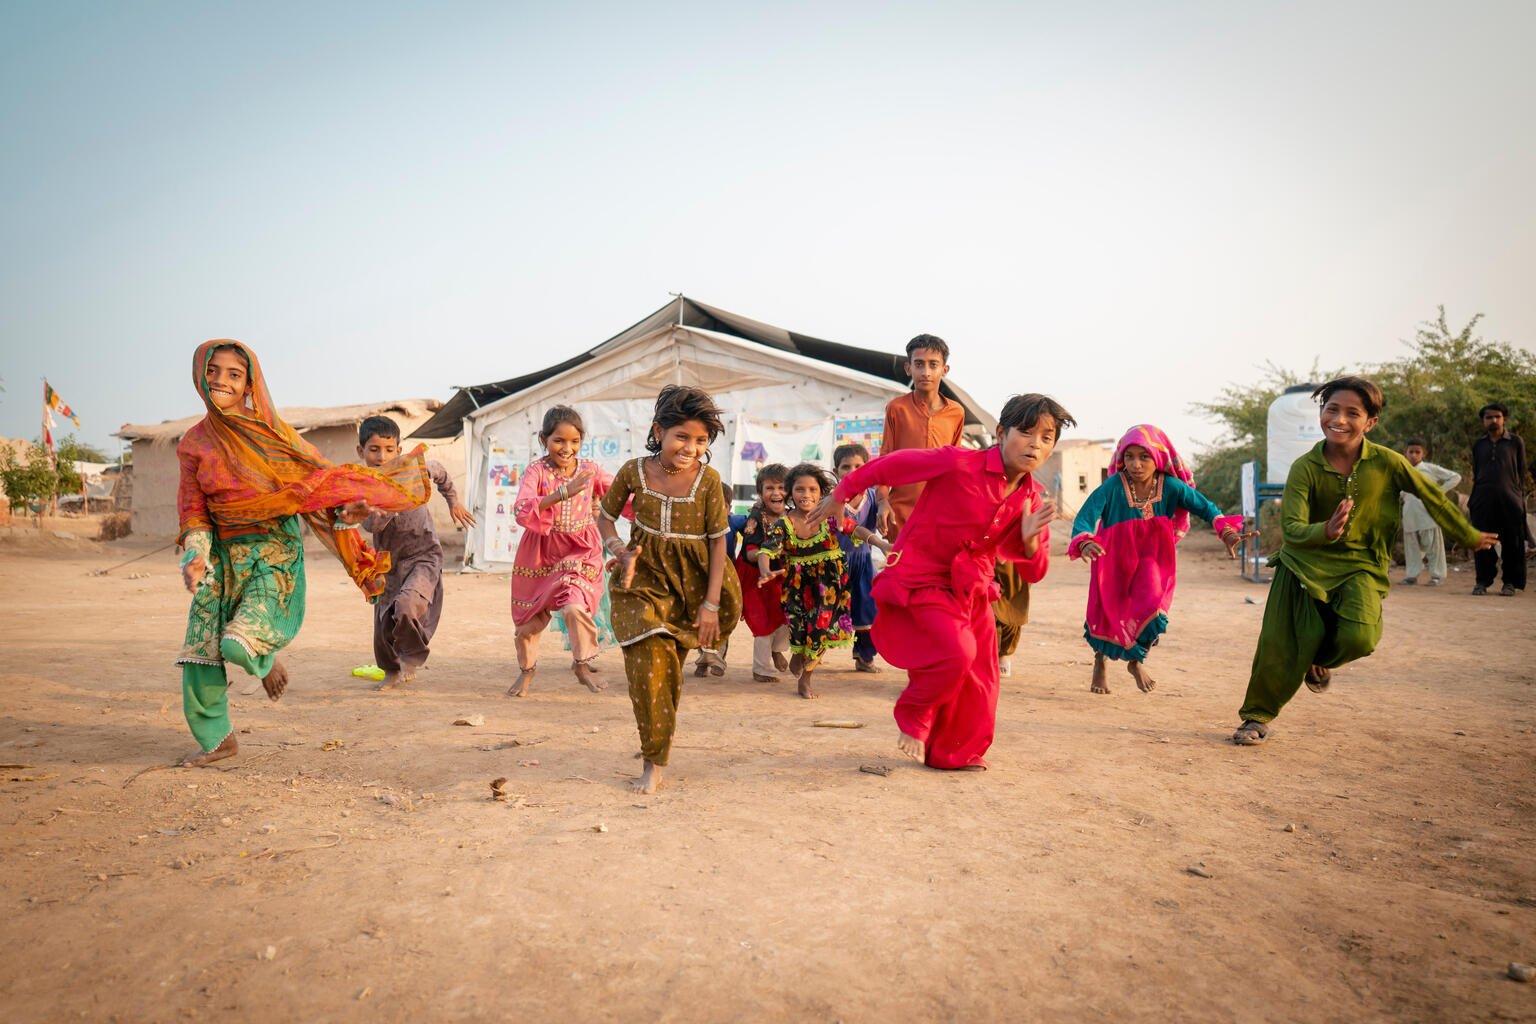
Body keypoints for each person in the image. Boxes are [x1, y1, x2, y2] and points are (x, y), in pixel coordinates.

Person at [176, 340, 429, 766]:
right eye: (214, 371)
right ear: (200, 374)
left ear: (249, 383)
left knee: (238, 645)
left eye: (234, 374)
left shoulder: (276, 436)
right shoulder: (192, 444)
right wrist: (195, 556)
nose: (221, 380)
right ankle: (218, 741)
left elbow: (321, 486)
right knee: (200, 649)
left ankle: (265, 659)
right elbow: (194, 510)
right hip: (221, 555)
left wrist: (351, 511)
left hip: (272, 554)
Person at [1232, 377, 1497, 745]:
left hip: (1362, 565)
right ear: (1321, 414)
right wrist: (1325, 530)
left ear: (1370, 421)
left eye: (1351, 413)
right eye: (1331, 410)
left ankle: (1317, 658)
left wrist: (1467, 535)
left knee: (1362, 637)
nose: (1339, 419)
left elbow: (1432, 497)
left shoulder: (1389, 462)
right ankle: (1255, 717)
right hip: (1303, 565)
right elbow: (1292, 528)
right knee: (1279, 644)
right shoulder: (1304, 467)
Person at [810, 393, 1067, 770]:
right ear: (1000, 432)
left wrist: (1029, 540)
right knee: (956, 652)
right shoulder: (958, 461)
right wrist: (841, 493)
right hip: (923, 577)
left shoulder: (1032, 498)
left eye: (1046, 438)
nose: (1035, 444)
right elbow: (891, 466)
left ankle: (951, 753)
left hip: (973, 588)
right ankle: (914, 714)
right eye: (1026, 432)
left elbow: (1034, 573)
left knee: (983, 679)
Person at [598, 385, 742, 795]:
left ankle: (658, 739)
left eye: (701, 441)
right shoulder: (633, 472)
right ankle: (654, 761)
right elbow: (606, 519)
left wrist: (711, 604)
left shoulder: (709, 481)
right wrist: (618, 550)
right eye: (682, 436)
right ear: (659, 430)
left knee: (667, 673)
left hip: (695, 588)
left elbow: (718, 542)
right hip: (641, 578)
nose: (690, 448)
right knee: (648, 663)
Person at [1068, 424, 1245, 694]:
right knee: (1108, 610)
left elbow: (1204, 506)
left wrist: (1227, 531)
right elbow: (1087, 515)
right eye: (1129, 457)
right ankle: (1100, 661)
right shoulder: (1114, 486)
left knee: (1153, 606)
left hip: (1153, 556)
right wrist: (1086, 541)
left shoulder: (1171, 486)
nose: (1136, 464)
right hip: (1112, 556)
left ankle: (1136, 660)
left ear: (1158, 458)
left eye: (1144, 457)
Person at [356, 416, 476, 690]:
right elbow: (369, 523)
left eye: (389, 449)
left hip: (423, 555)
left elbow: (441, 473)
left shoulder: (415, 469)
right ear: (361, 451)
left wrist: (454, 502)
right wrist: (389, 502)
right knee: (384, 620)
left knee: (408, 605)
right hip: (388, 563)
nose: (381, 457)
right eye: (374, 449)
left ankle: (410, 655)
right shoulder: (362, 489)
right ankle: (391, 670)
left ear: (398, 450)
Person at [760, 463, 888, 699]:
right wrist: (764, 569)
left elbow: (854, 529)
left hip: (829, 587)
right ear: (791, 492)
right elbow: (767, 550)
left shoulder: (830, 515)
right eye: (800, 489)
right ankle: (798, 653)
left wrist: (881, 544)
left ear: (822, 494)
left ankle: (806, 679)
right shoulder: (783, 524)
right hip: (797, 589)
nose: (806, 495)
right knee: (800, 631)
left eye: (812, 490)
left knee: (821, 630)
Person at [509, 406, 610, 697]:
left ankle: (581, 664)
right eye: (559, 441)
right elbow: (522, 508)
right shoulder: (536, 471)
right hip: (540, 553)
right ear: (544, 439)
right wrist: (561, 493)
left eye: (574, 442)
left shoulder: (590, 470)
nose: (567, 448)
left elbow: (619, 492)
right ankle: (526, 673)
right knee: (527, 626)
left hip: (579, 550)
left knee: (574, 607)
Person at [874, 334, 966, 540]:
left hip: (941, 513)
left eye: (933, 365)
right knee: (900, 569)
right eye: (919, 364)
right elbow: (885, 458)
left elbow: (956, 463)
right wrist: (882, 501)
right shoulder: (897, 408)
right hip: (900, 513)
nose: (926, 372)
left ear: (945, 370)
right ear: (909, 368)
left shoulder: (956, 412)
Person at [733, 464, 792, 682]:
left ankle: (777, 650)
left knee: (785, 619)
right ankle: (761, 669)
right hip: (754, 580)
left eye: (781, 487)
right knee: (762, 623)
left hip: (780, 578)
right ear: (760, 493)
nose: (776, 493)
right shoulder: (756, 520)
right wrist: (769, 555)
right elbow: (750, 554)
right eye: (769, 488)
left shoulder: (793, 517)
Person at [833, 444, 885, 672]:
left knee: (867, 609)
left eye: (858, 466)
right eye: (846, 466)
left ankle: (864, 656)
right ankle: (813, 653)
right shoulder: (831, 499)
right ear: (836, 471)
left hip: (863, 563)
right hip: (834, 563)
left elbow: (884, 526)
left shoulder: (875, 499)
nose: (852, 470)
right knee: (828, 609)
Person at [1469, 402, 1529, 596]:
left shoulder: (1515, 442)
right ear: (1483, 421)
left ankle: (1510, 583)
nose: (1493, 420)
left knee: (1513, 543)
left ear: (1504, 419)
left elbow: (1521, 472)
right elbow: (1476, 473)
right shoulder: (1479, 444)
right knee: (1482, 543)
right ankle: (1482, 582)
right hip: (1483, 501)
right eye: (1489, 417)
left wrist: (1519, 499)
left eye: (1497, 416)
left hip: (1510, 501)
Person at [1398, 439, 1461, 587]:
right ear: (1405, 453)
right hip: (1409, 514)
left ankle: (1437, 576)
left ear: (1423, 454)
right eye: (1411, 452)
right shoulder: (1402, 470)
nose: (1414, 455)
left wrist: (1439, 491)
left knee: (1433, 547)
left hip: (1428, 514)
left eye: (1417, 452)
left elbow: (1455, 477)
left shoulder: (1429, 468)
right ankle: (1411, 576)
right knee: (1412, 547)